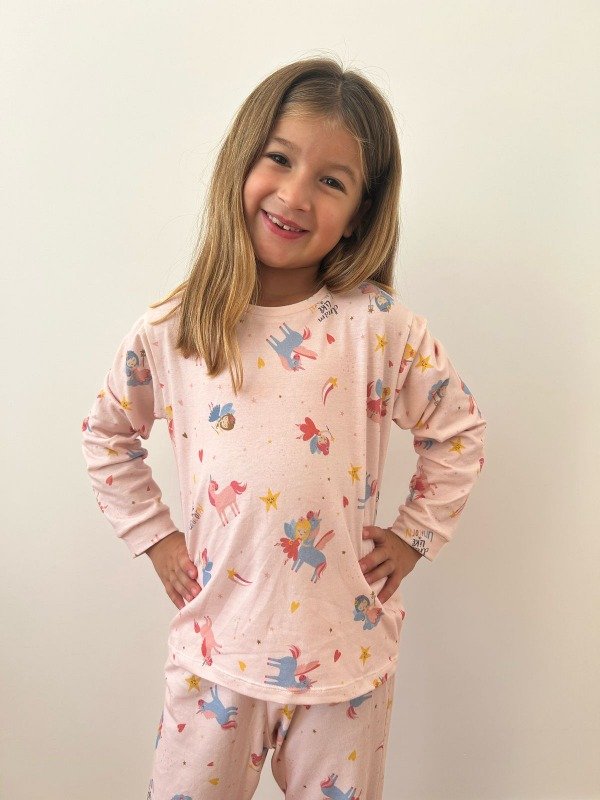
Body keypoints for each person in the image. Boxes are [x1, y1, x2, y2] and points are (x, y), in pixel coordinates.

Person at [81, 55, 487, 800]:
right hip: (216, 656)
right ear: (243, 160)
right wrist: (156, 537)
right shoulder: (175, 328)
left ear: (360, 212)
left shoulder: (381, 326)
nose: (295, 195)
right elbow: (107, 435)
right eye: (279, 159)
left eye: (332, 181)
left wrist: (415, 535)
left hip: (345, 665)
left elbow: (457, 428)